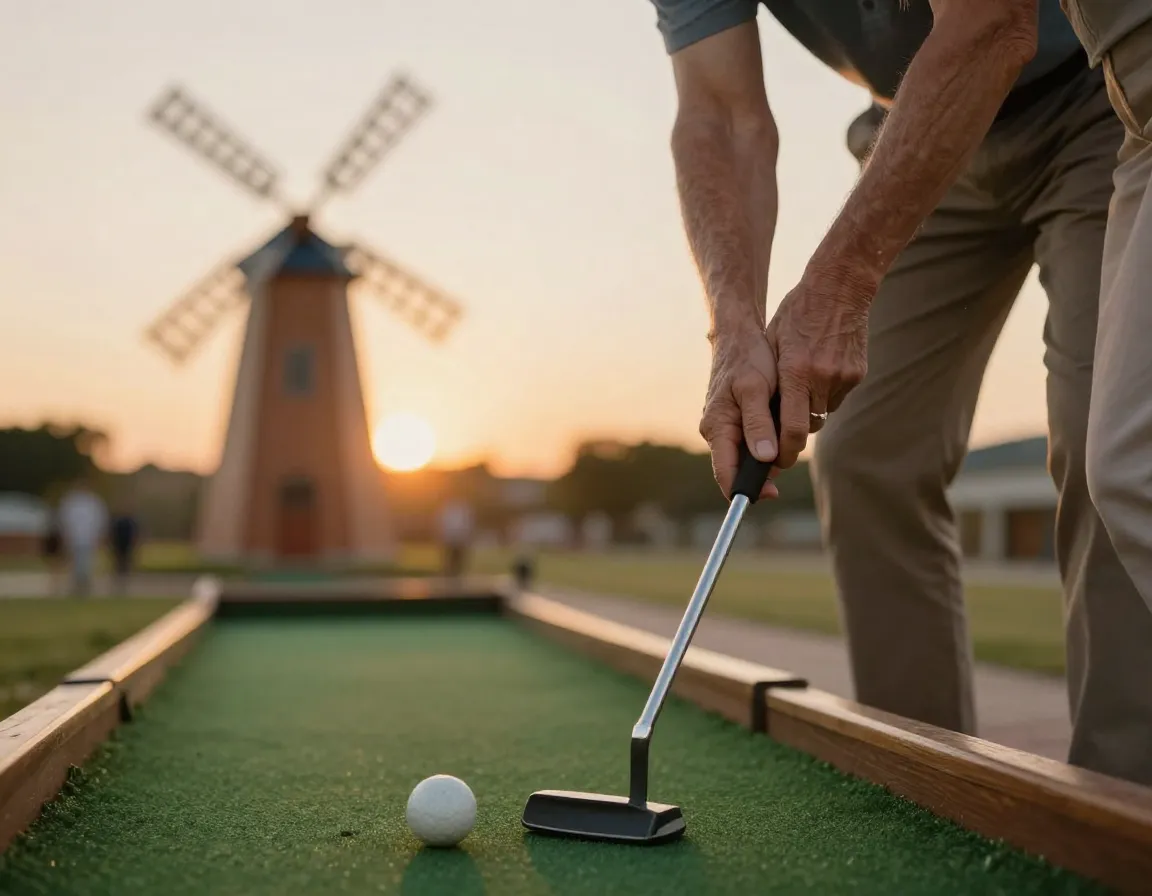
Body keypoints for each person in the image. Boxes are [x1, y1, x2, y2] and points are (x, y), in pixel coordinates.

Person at [651, 0, 1152, 785]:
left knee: (1105, 449)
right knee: (862, 453)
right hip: (921, 121)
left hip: (1091, 98)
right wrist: (733, 327)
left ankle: (1122, 808)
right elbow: (718, 114)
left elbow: (994, 26)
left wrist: (840, 279)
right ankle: (927, 787)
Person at [57, 479, 108, 597]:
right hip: (74, 538)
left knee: (86, 563)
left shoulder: (94, 501)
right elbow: (64, 519)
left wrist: (98, 536)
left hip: (89, 538)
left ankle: (85, 585)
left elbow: (99, 520)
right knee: (75, 563)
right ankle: (76, 586)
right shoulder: (71, 501)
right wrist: (66, 535)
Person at [438, 498, 475, 578]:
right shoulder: (448, 508)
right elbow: (443, 522)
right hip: (451, 537)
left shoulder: (462, 508)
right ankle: (450, 573)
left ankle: (457, 574)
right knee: (450, 557)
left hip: (459, 537)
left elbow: (467, 523)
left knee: (459, 558)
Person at [109, 506, 140, 595]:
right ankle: (118, 581)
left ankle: (124, 581)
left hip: (127, 545)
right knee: (118, 563)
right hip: (118, 545)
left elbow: (135, 534)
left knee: (126, 563)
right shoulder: (117, 521)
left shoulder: (131, 521)